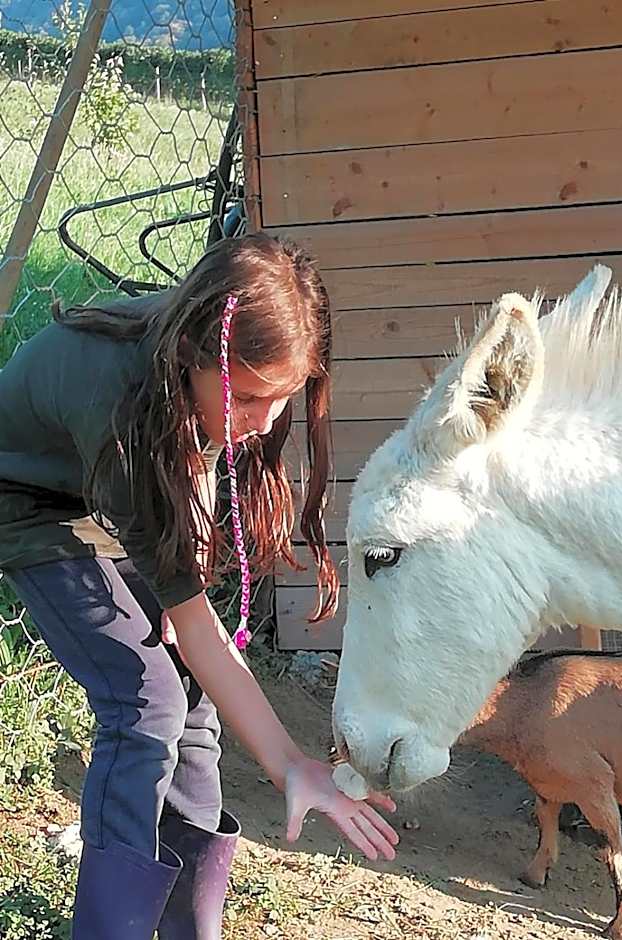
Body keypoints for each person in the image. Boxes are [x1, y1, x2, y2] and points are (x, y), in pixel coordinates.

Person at [0, 233, 398, 939]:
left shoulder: (208, 370)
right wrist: (288, 765)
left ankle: (190, 927)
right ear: (191, 356)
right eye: (251, 397)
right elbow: (195, 626)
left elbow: (197, 480)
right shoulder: (124, 405)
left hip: (96, 489)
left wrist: (182, 586)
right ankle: (110, 930)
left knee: (191, 695)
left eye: (283, 396)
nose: (266, 421)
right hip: (27, 502)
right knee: (145, 700)